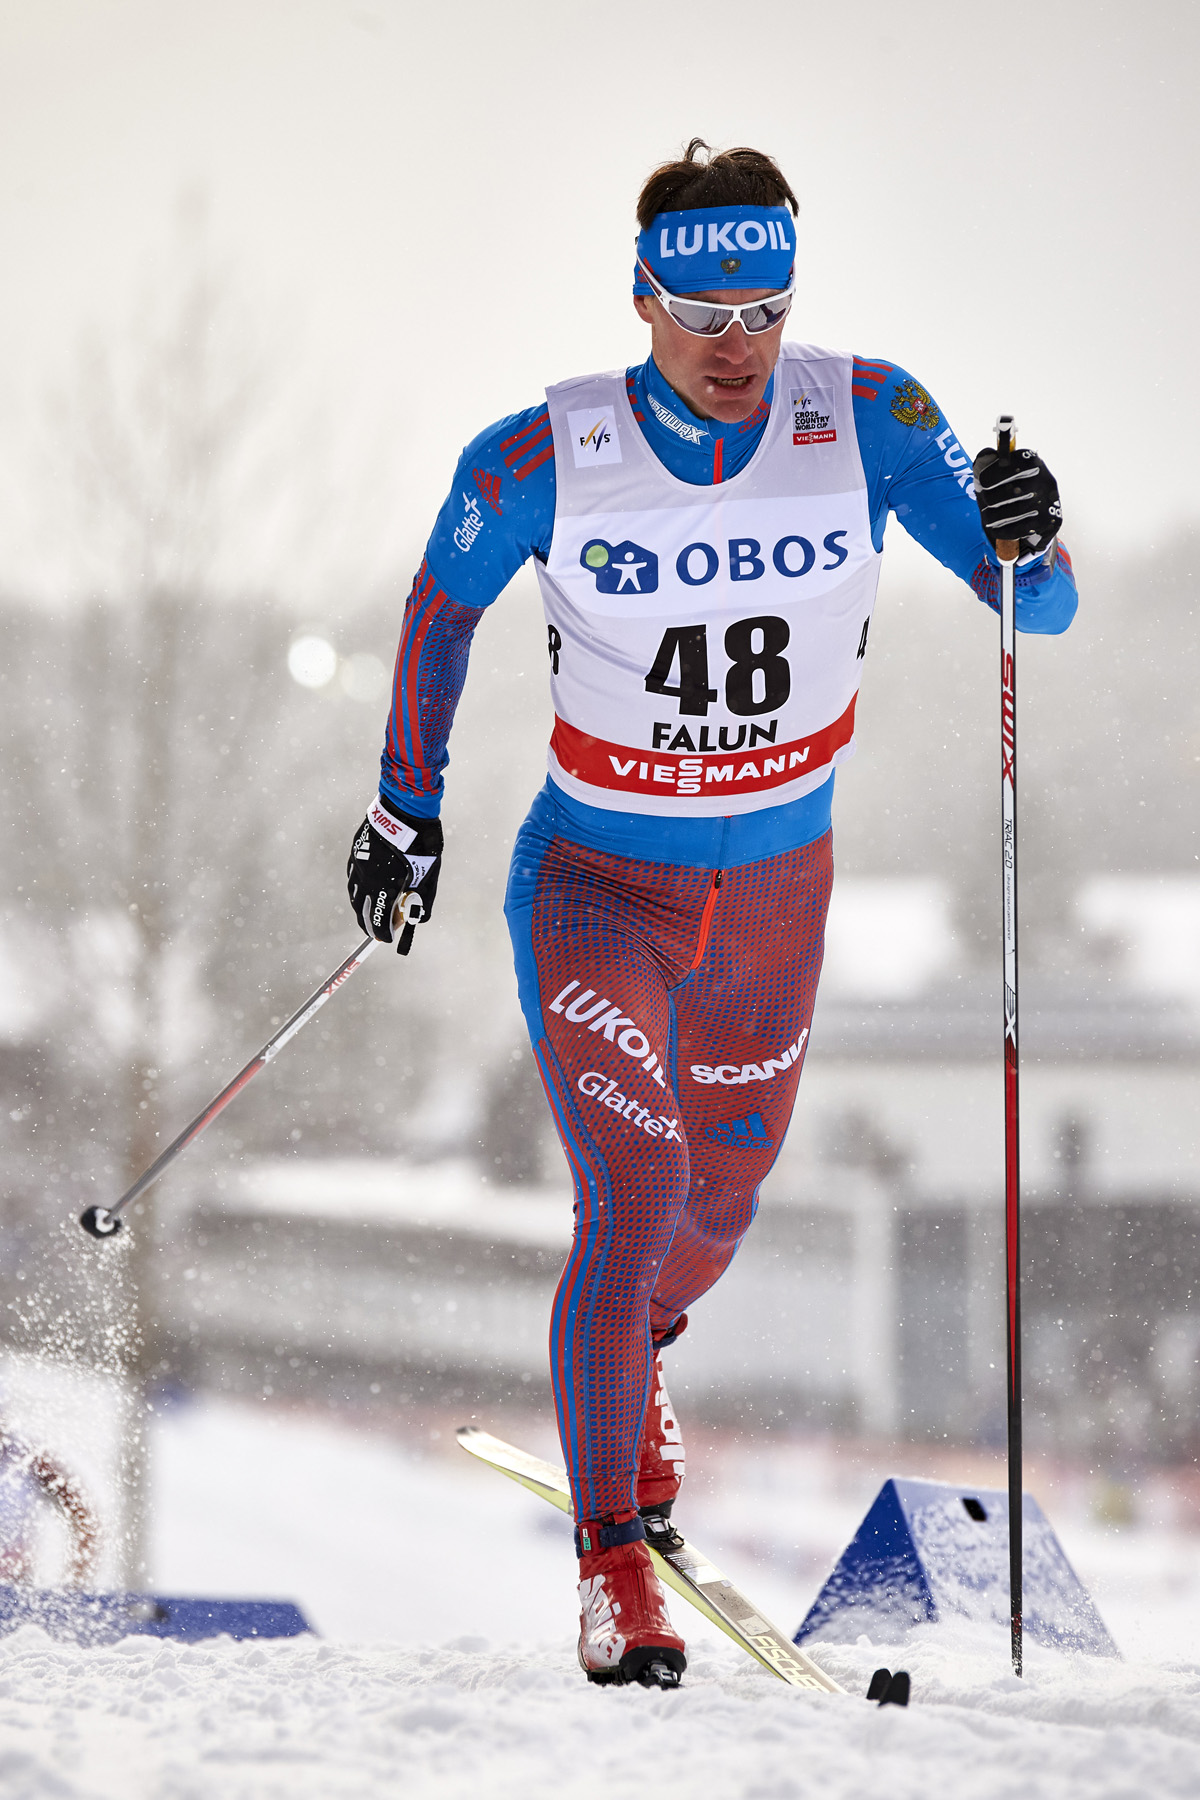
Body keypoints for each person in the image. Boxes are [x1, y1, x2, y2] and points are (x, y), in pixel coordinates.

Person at [347, 140, 1076, 1689]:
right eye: (702, 308)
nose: (737, 342)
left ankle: (644, 1362)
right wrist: (405, 804)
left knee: (716, 1210)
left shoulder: (869, 416)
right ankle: (619, 1569)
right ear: (641, 295)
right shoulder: (545, 452)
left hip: (776, 898)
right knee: (636, 1185)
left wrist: (1031, 521)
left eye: (765, 302)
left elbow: (1043, 600)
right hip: (601, 889)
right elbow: (439, 608)